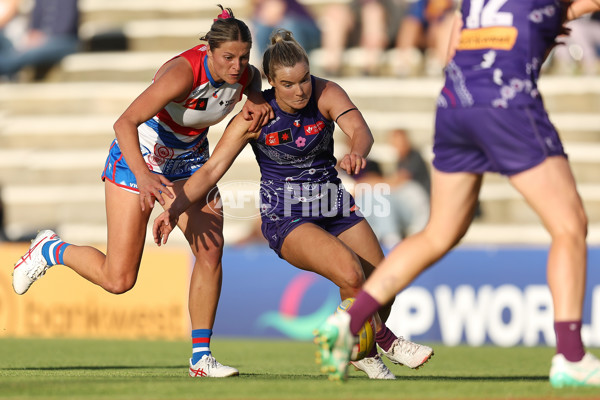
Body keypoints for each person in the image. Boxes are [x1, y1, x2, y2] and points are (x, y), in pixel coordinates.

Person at [315, 0, 600, 386]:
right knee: (570, 225)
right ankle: (570, 355)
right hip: (506, 101)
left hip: (454, 103)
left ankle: (350, 320)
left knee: (439, 232)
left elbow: (453, 53)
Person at [152, 29, 434, 380]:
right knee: (350, 273)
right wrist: (174, 208)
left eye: (304, 80)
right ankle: (386, 342)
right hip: (286, 216)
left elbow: (360, 130)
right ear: (271, 81)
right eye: (288, 84)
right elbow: (210, 170)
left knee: (384, 285)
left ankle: (357, 353)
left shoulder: (326, 91)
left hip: (334, 205)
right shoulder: (255, 116)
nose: (300, 90)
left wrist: (358, 151)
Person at [12, 5, 274, 378]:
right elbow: (125, 122)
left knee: (211, 250)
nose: (236, 66)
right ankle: (50, 249)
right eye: (228, 57)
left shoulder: (244, 74)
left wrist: (259, 97)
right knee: (118, 280)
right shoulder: (183, 74)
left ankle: (201, 357)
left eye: (243, 57)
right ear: (209, 51)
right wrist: (145, 176)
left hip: (189, 164)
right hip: (139, 159)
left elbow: (252, 81)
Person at [0, 0, 80, 81]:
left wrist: (42, 39)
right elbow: (35, 26)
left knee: (27, 55)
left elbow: (65, 27)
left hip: (63, 41)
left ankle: (5, 66)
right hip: (41, 42)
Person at [250, 0, 321, 58]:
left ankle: (296, 61)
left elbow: (275, 13)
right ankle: (266, 62)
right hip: (286, 36)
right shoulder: (258, 8)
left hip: (310, 33)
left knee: (288, 25)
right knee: (261, 27)